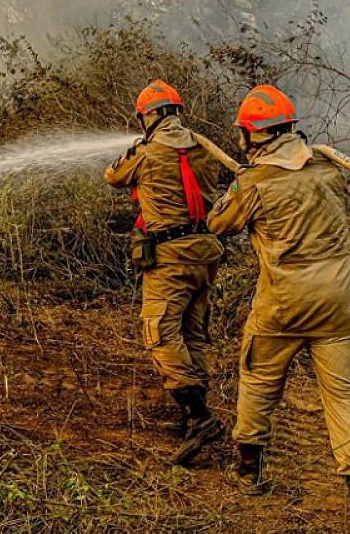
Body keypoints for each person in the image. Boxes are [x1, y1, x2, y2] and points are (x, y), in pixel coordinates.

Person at [207, 85, 350, 534]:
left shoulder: (254, 182)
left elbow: (218, 224)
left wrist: (239, 184)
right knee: (348, 399)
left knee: (258, 378)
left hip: (283, 305)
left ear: (252, 135)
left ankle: (248, 470)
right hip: (339, 304)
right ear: (291, 126)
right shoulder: (331, 170)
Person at [104, 80, 226, 466]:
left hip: (171, 256)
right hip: (205, 251)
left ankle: (199, 416)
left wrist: (134, 151)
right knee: (193, 333)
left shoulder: (146, 152)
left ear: (150, 116)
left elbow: (113, 176)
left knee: (160, 331)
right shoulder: (204, 147)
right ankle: (195, 414)